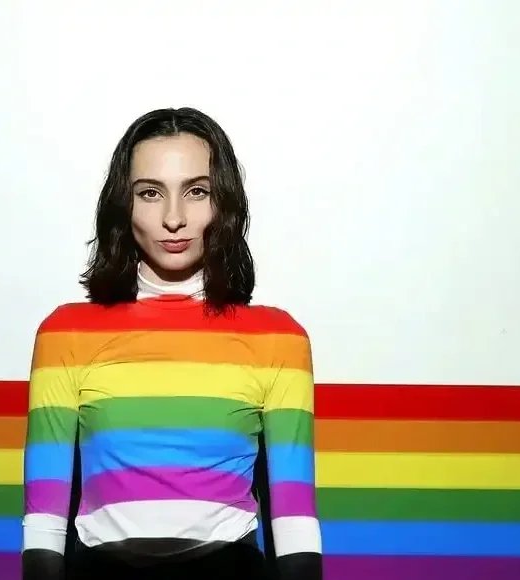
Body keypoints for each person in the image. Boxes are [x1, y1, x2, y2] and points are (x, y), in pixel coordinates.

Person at [22, 107, 322, 580]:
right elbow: (43, 524)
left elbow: (295, 522)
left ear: (224, 203)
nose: (174, 218)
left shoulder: (278, 339)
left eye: (196, 191)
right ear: (124, 205)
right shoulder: (66, 333)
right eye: (150, 193)